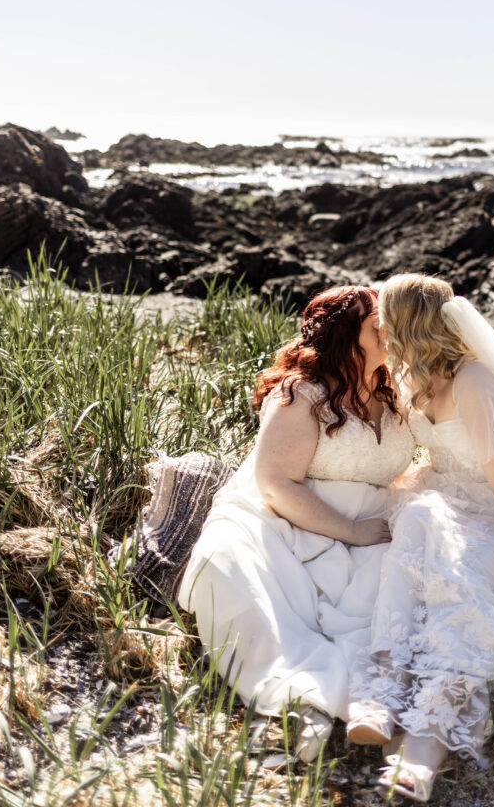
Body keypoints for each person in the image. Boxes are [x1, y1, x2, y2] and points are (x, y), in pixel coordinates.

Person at [347, 274, 494, 802]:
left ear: (407, 326)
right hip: (440, 501)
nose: (379, 327)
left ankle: (425, 746)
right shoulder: (414, 379)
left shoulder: (478, 384)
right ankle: (383, 692)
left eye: (385, 319)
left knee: (459, 581)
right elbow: (431, 458)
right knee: (416, 525)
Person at [178, 285, 415, 761]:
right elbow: (275, 484)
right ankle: (297, 693)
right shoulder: (301, 395)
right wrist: (350, 531)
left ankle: (376, 701)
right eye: (377, 324)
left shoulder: (395, 390)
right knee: (228, 569)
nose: (389, 331)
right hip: (286, 516)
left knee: (401, 595)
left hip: (377, 520)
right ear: (348, 333)